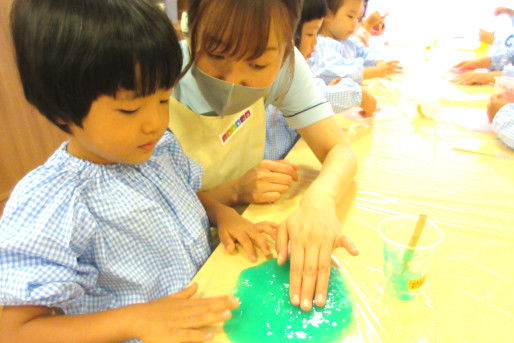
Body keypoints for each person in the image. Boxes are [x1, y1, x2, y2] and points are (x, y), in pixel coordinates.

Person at [0, 0, 280, 341]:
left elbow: (186, 195)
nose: (156, 124)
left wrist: (223, 215)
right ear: (60, 110)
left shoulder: (160, 150)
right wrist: (137, 319)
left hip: (207, 314)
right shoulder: (54, 201)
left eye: (163, 100)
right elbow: (15, 330)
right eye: (130, 110)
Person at [169, 0, 359, 312]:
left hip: (235, 232)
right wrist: (230, 191)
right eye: (215, 55)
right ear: (191, 27)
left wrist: (320, 199)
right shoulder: (159, 69)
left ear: (286, 46)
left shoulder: (286, 66)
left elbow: (340, 151)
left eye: (258, 66)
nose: (232, 80)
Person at [265, 0, 376, 160]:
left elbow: (311, 93)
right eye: (310, 34)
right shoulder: (284, 67)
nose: (315, 43)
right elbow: (313, 97)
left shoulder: (294, 65)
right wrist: (357, 93)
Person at [308, 0, 401, 87]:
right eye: (350, 16)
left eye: (357, 18)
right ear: (328, 14)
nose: (355, 24)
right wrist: (377, 71)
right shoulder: (321, 45)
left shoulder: (347, 41)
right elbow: (335, 73)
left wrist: (379, 61)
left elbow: (365, 52)